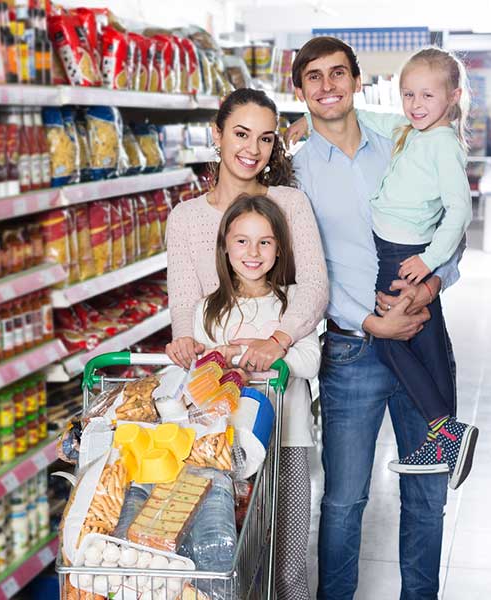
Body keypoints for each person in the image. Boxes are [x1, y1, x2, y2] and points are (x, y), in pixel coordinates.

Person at [288, 36, 465, 600]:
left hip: (416, 329)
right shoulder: (295, 173)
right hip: (353, 349)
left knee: (428, 493)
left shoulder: (405, 136)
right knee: (343, 501)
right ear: (301, 91)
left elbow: (446, 224)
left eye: (338, 73)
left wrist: (436, 280)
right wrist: (370, 322)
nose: (327, 86)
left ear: (358, 80)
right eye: (313, 77)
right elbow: (310, 272)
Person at [191, 194, 321, 600]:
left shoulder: (294, 301)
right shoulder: (208, 311)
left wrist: (269, 348)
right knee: (241, 560)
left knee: (289, 562)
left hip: (288, 445)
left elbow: (310, 359)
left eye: (265, 242)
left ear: (279, 248)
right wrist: (228, 357)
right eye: (242, 241)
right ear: (224, 246)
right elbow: (201, 377)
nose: (253, 252)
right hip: (227, 454)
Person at [165, 87, 328, 375]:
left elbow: (314, 286)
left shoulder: (290, 204)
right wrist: (185, 341)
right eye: (241, 134)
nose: (253, 150)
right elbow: (183, 303)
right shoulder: (185, 217)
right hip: (215, 377)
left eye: (264, 139)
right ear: (217, 134)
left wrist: (278, 341)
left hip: (279, 373)